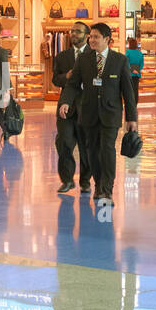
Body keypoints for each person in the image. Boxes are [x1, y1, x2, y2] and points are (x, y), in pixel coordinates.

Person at [58, 22, 138, 205]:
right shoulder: (83, 59)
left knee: (107, 150)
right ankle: (99, 185)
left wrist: (132, 118)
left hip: (111, 114)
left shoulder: (120, 60)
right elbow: (72, 84)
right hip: (89, 113)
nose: (91, 40)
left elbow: (128, 91)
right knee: (92, 151)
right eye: (90, 37)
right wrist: (65, 102)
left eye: (95, 37)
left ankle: (107, 190)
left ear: (107, 40)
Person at [53, 21, 92, 194]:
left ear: (87, 35)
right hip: (66, 108)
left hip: (87, 107)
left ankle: (85, 181)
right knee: (65, 144)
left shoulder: (94, 55)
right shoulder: (62, 56)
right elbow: (55, 79)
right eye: (72, 31)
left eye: (78, 31)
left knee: (86, 147)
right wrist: (66, 77)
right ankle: (67, 180)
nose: (73, 34)